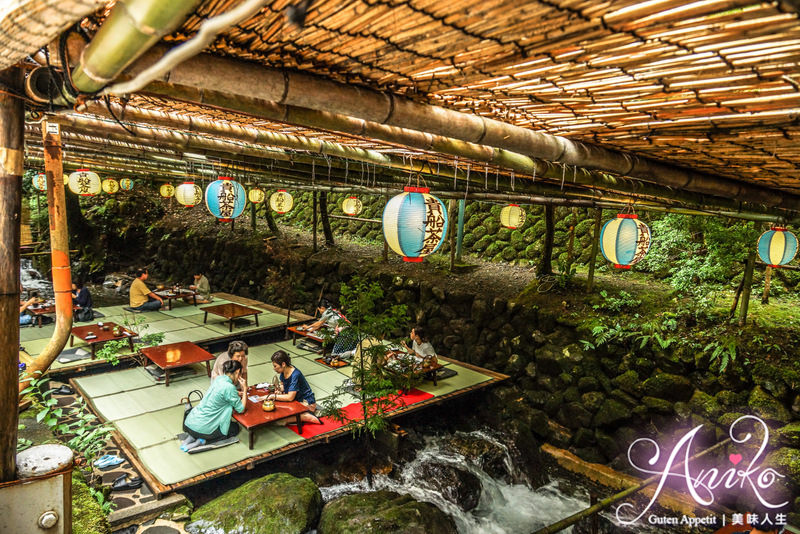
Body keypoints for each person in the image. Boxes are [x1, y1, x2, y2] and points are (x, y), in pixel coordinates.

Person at [181, 359, 246, 451]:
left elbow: (221, 393)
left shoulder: (218, 379)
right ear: (237, 371)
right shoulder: (229, 387)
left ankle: (191, 437)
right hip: (203, 429)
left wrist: (235, 393)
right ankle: (201, 441)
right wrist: (245, 388)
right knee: (234, 428)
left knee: (205, 423)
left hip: (189, 424)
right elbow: (241, 409)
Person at [269, 350, 321, 424]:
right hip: (296, 399)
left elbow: (290, 397)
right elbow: (283, 385)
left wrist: (273, 396)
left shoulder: (295, 374)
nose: (274, 368)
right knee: (277, 409)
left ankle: (306, 416)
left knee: (280, 421)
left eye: (275, 366)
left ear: (283, 364)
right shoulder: (284, 371)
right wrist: (280, 390)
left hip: (306, 402)